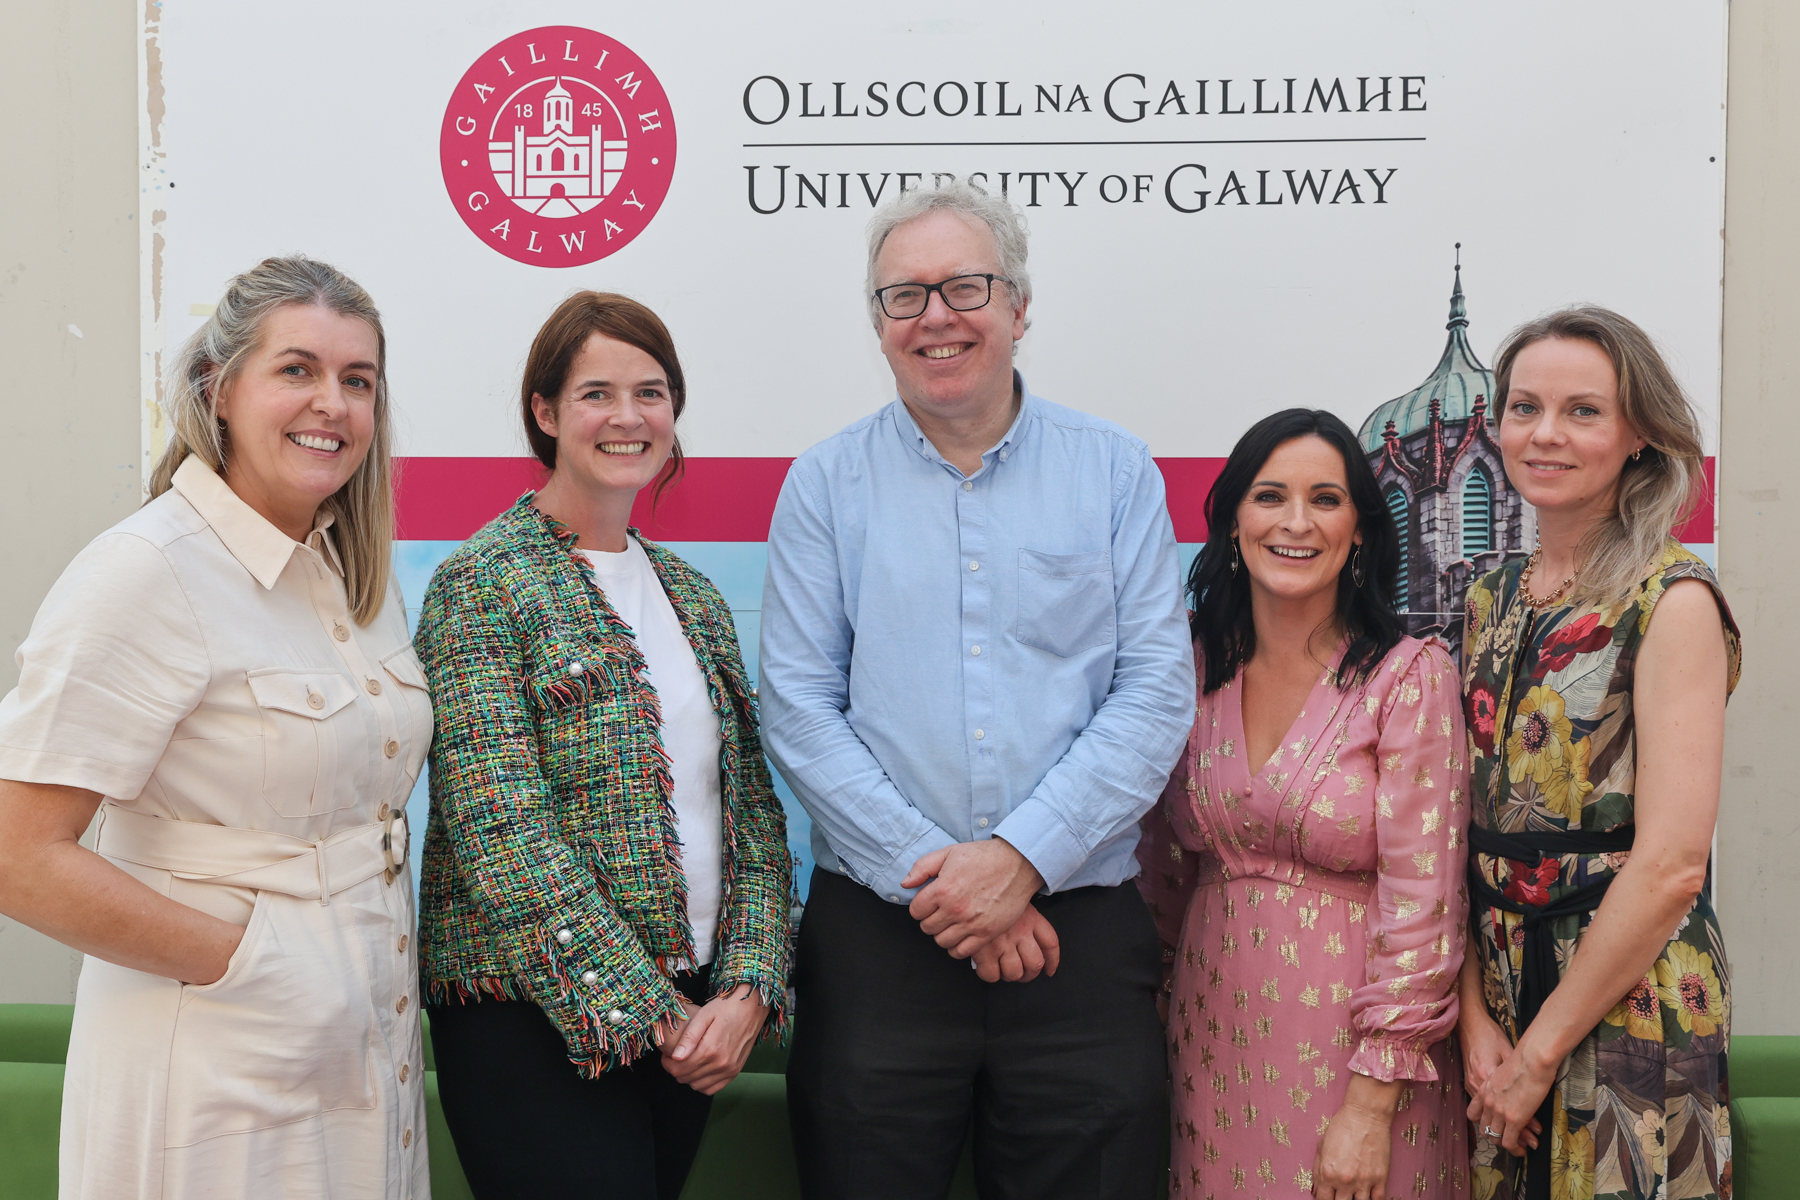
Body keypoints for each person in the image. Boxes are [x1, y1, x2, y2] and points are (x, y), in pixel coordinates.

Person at [758, 179, 1195, 1200]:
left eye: (964, 286)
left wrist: (1022, 860)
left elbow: (1155, 693)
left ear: (1018, 306)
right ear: (877, 325)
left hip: (1078, 941)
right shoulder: (824, 484)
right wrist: (951, 882)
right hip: (880, 939)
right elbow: (797, 707)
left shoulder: (1115, 472)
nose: (935, 317)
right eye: (903, 297)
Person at [0, 257, 428, 1198]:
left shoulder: (351, 578)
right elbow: (16, 853)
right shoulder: (147, 570)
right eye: (297, 370)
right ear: (218, 389)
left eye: (358, 381)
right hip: (213, 1053)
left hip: (363, 1045)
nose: (333, 404)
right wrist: (250, 966)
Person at [414, 291, 792, 1200]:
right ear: (545, 413)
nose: (628, 417)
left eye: (651, 391)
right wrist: (652, 1016)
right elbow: (500, 831)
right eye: (596, 393)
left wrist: (745, 991)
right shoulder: (481, 583)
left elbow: (753, 813)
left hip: (696, 1014)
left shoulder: (693, 595)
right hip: (528, 1022)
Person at [1137, 408, 1471, 1200]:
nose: (1296, 521)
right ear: (1232, 522)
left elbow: (1428, 904)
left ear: (1359, 528)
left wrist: (1371, 1099)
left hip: (1364, 1064)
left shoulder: (1409, 677)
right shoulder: (1184, 671)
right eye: (1269, 496)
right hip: (1208, 1041)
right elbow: (1158, 873)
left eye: (1325, 499)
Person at [1457, 307, 1739, 1200]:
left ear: (1640, 438)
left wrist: (1542, 1050)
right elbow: (1458, 832)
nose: (1545, 433)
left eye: (1583, 410)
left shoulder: (1674, 598)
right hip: (1500, 989)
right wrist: (1476, 1023)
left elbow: (1670, 867)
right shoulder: (1488, 595)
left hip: (1631, 994)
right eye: (1524, 407)